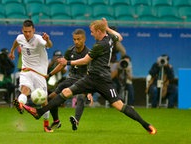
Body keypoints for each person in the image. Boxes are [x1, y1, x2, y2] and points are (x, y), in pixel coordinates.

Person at [20, 18, 157, 135]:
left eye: (92, 32)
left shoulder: (100, 45)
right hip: (91, 78)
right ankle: (39, 113)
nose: (91, 34)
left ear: (98, 31)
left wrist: (67, 62)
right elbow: (120, 37)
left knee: (119, 106)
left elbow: (85, 60)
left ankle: (145, 124)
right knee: (66, 92)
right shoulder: (109, 38)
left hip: (101, 80)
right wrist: (108, 28)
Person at [9, 19, 53, 132]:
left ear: (34, 30)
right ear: (22, 30)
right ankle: (21, 105)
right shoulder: (20, 37)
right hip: (26, 70)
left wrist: (47, 40)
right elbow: (16, 41)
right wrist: (12, 51)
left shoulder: (38, 39)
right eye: (25, 31)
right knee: (25, 89)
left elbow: (49, 45)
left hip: (39, 73)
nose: (27, 34)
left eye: (29, 31)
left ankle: (46, 125)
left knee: (44, 101)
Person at [45, 29, 92, 131]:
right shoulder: (70, 50)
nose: (76, 42)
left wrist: (89, 91)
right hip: (70, 79)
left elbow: (90, 72)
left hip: (83, 80)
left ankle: (76, 121)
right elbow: (62, 64)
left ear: (84, 39)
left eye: (78, 39)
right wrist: (49, 74)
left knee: (80, 97)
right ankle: (56, 121)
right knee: (51, 98)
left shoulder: (89, 53)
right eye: (74, 39)